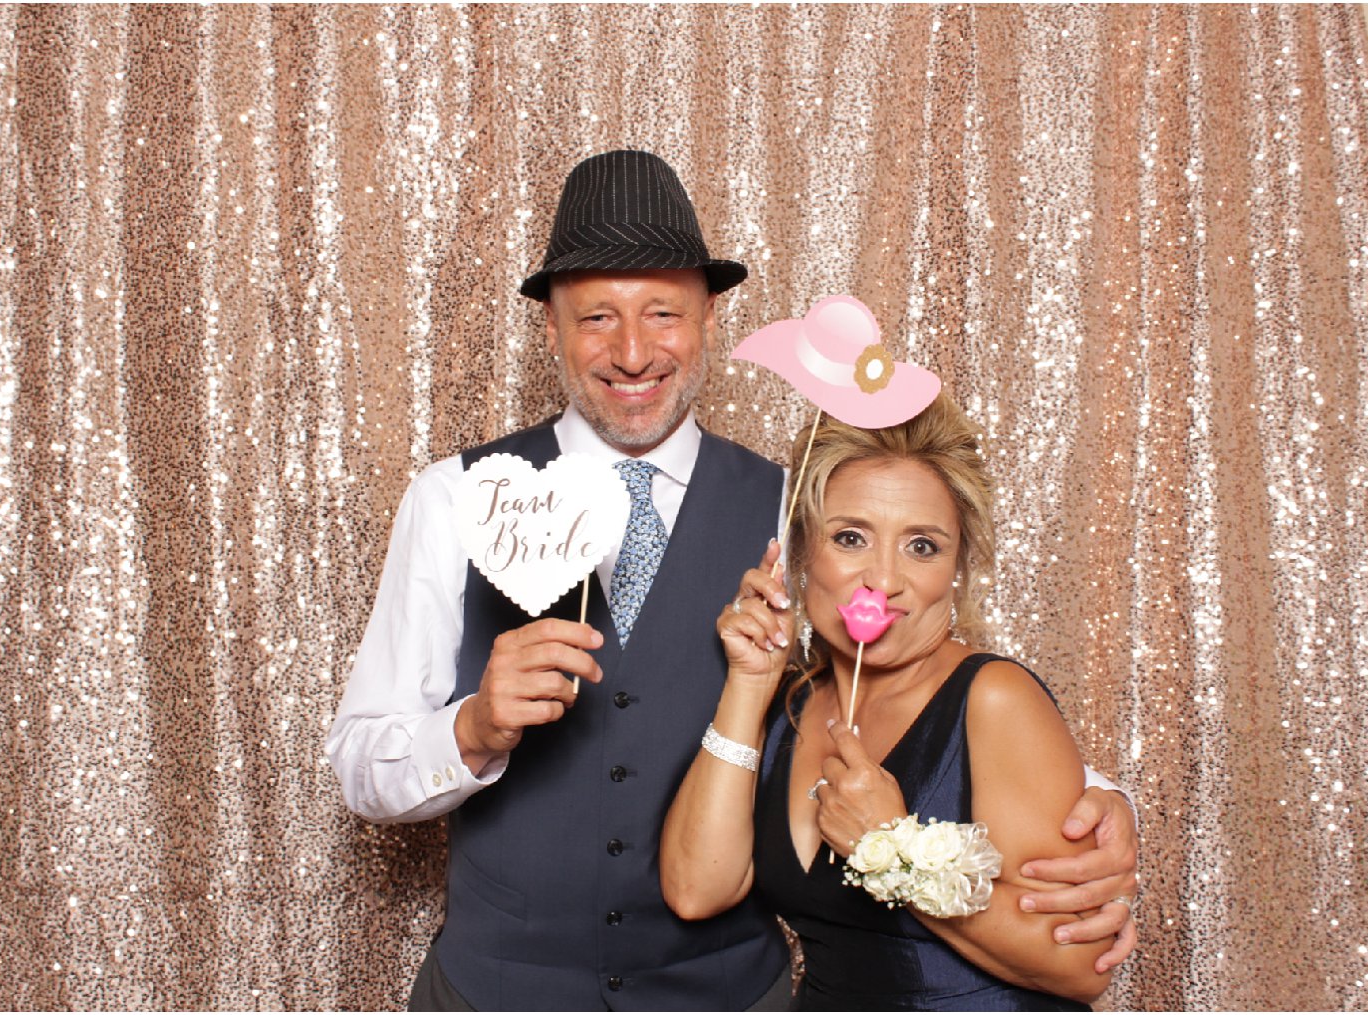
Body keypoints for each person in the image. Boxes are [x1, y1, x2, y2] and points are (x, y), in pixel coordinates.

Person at [327, 150, 1138, 1011]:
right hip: (495, 993)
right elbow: (358, 762)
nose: (632, 350)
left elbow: (907, 674)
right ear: (551, 327)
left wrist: (1097, 800)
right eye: (597, 315)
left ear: (708, 317)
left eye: (663, 312)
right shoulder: (454, 497)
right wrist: (474, 729)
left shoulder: (799, 510)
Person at [661, 398, 1121, 1009]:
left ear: (958, 566)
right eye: (850, 538)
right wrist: (749, 684)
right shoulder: (791, 704)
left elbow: (1079, 966)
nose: (883, 579)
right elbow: (696, 889)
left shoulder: (994, 699)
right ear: (799, 553)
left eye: (922, 546)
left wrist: (890, 849)